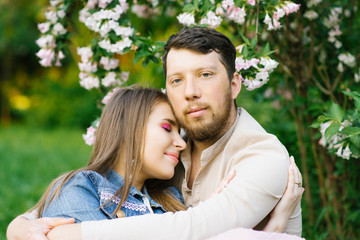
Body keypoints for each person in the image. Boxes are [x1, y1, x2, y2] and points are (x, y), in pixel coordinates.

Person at [7, 27, 304, 239]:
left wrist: (70, 235)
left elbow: (195, 227)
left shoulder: (264, 158)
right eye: (177, 80)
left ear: (235, 84)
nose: (190, 92)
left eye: (205, 75)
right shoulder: (172, 156)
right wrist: (20, 224)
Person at [33, 86, 187, 223]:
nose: (182, 143)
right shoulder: (80, 189)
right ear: (129, 130)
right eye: (167, 128)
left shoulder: (170, 199)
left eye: (179, 133)